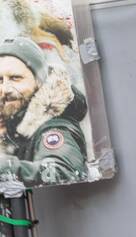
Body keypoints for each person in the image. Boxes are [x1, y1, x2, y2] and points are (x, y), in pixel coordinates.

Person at [0, 36, 87, 186]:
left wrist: (5, 168)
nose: (5, 89)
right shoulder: (12, 125)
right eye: (0, 80)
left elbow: (64, 172)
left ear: (39, 81)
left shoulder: (54, 127)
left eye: (15, 78)